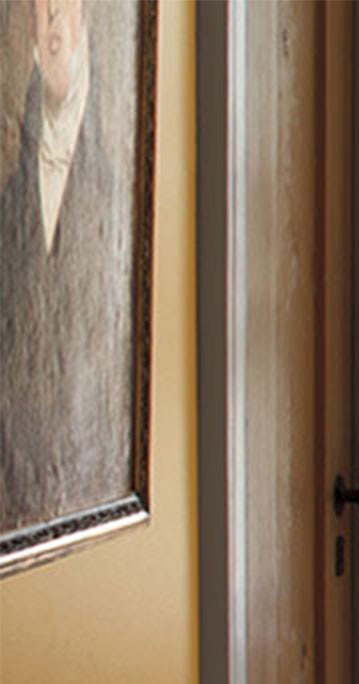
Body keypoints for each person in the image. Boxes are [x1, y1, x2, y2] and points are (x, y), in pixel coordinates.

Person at [0, 0, 132, 535]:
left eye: (63, 12)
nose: (52, 32)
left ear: (86, 22)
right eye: (39, 13)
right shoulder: (12, 192)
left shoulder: (115, 183)